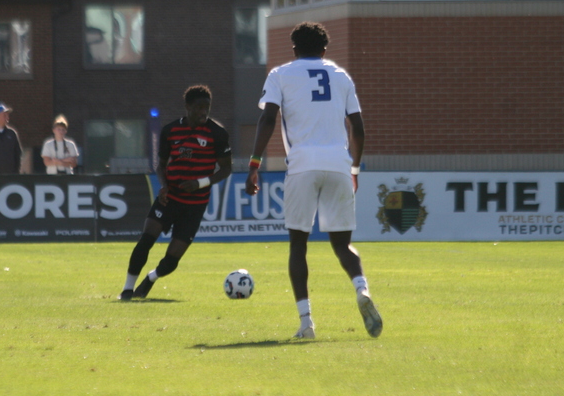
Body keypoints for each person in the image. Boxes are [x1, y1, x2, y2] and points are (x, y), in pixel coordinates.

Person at [245, 21, 383, 339]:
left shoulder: (280, 75)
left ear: (294, 49)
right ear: (324, 50)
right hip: (338, 164)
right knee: (342, 244)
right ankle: (361, 289)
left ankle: (307, 323)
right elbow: (358, 129)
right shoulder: (340, 75)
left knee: (298, 244)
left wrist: (254, 164)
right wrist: (355, 170)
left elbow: (268, 117)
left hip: (303, 165)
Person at [119, 85, 232, 301]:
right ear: (188, 107)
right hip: (169, 199)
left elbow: (227, 169)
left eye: (206, 107)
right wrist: (163, 186)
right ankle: (126, 289)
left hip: (195, 205)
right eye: (199, 107)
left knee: (171, 261)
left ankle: (151, 278)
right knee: (145, 241)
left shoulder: (217, 133)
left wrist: (200, 183)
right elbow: (161, 165)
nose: (203, 112)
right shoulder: (171, 131)